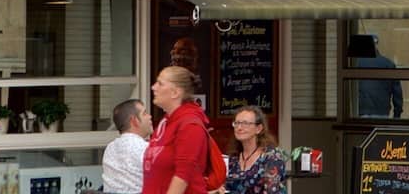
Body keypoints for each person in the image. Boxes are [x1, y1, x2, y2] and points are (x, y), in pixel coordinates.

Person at [144, 66, 210, 194]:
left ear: (175, 93)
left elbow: (182, 177)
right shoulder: (165, 122)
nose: (153, 87)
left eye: (160, 84)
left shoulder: (190, 125)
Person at [224, 106, 287, 194]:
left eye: (245, 123)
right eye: (237, 123)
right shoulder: (232, 158)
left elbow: (272, 190)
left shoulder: (272, 157)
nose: (239, 127)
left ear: (258, 129)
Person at [103, 99, 152, 194]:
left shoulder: (109, 148)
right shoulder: (146, 149)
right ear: (134, 121)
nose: (150, 116)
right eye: (145, 113)